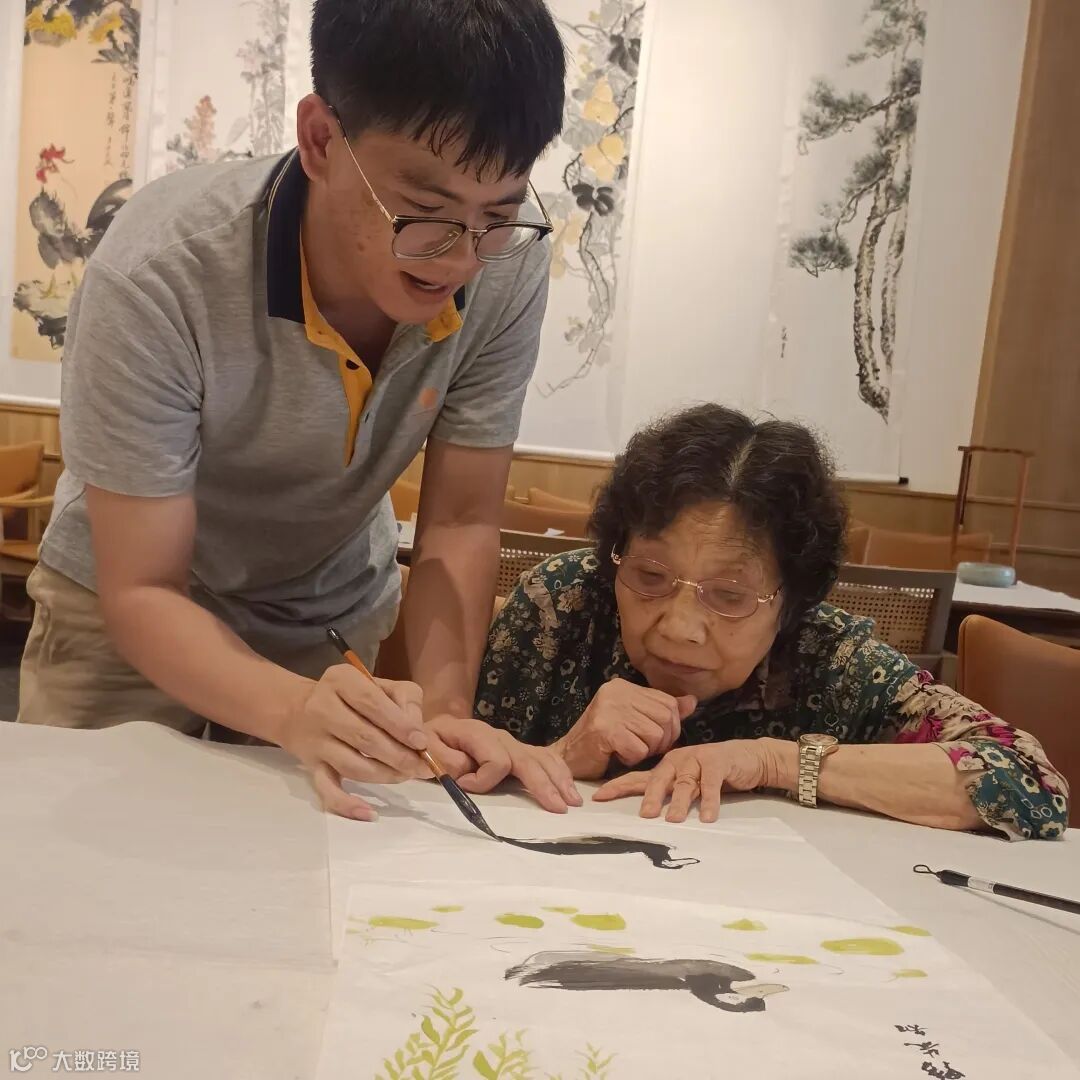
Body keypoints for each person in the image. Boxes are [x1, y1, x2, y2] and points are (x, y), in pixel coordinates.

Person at [17, 0, 579, 821]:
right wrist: (288, 710)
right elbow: (141, 588)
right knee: (98, 843)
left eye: (497, 215)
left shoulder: (508, 266)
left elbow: (460, 521)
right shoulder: (159, 270)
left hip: (324, 607)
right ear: (320, 139)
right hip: (128, 610)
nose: (460, 259)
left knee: (309, 864)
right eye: (424, 212)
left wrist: (444, 712)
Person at [474, 405, 1070, 839]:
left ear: (792, 600)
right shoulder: (563, 605)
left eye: (729, 595)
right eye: (650, 577)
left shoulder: (830, 658)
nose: (679, 627)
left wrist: (774, 761)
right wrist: (564, 752)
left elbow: (1031, 784)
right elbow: (455, 776)